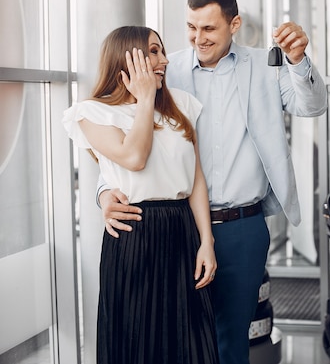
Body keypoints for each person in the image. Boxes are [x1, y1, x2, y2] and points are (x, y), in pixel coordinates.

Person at [99, 0, 327, 364]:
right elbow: (122, 131)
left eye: (209, 29)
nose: (197, 38)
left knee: (230, 340)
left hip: (243, 226)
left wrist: (299, 61)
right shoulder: (164, 70)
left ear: (233, 24)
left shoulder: (266, 66)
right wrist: (105, 193)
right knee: (176, 339)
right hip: (177, 226)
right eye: (191, 27)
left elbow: (312, 106)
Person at [63, 26, 219, 364]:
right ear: (127, 58)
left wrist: (206, 241)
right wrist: (146, 98)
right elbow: (135, 158)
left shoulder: (183, 105)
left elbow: (196, 181)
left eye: (161, 51)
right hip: (135, 231)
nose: (164, 60)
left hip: (182, 229)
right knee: (136, 338)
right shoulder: (93, 112)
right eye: (153, 52)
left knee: (190, 339)